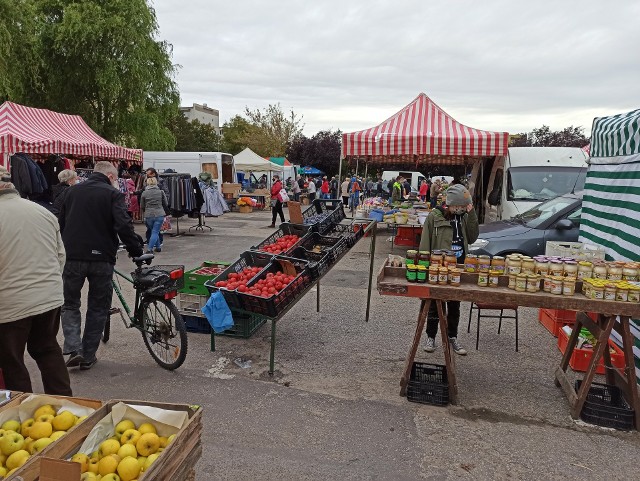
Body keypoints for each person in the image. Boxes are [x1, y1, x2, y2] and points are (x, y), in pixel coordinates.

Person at [59, 161, 144, 370]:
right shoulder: (112, 194)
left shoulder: (71, 192)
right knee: (98, 307)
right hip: (102, 257)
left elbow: (60, 223)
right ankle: (87, 355)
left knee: (70, 303)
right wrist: (136, 250)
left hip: (72, 256)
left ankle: (74, 347)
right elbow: (123, 225)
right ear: (111, 177)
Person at [0, 170, 72, 395]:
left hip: (11, 301)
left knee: (12, 360)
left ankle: (23, 410)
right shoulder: (42, 212)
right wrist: (48, 283)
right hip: (49, 297)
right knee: (47, 348)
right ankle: (65, 404)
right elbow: (60, 255)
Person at [419, 184, 479, 356]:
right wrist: (425, 268)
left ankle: (452, 336)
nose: (460, 209)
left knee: (455, 304)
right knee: (434, 303)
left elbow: (473, 237)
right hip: (438, 266)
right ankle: (431, 336)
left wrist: (472, 213)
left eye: (463, 207)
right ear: (450, 203)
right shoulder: (434, 216)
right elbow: (424, 244)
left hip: (458, 266)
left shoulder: (465, 216)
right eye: (458, 206)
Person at [140, 177, 169, 254]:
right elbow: (166, 203)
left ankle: (157, 247)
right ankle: (150, 249)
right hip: (159, 214)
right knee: (155, 231)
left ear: (147, 183)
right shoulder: (161, 192)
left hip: (149, 214)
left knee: (154, 231)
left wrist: (145, 210)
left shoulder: (144, 193)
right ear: (156, 183)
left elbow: (142, 205)